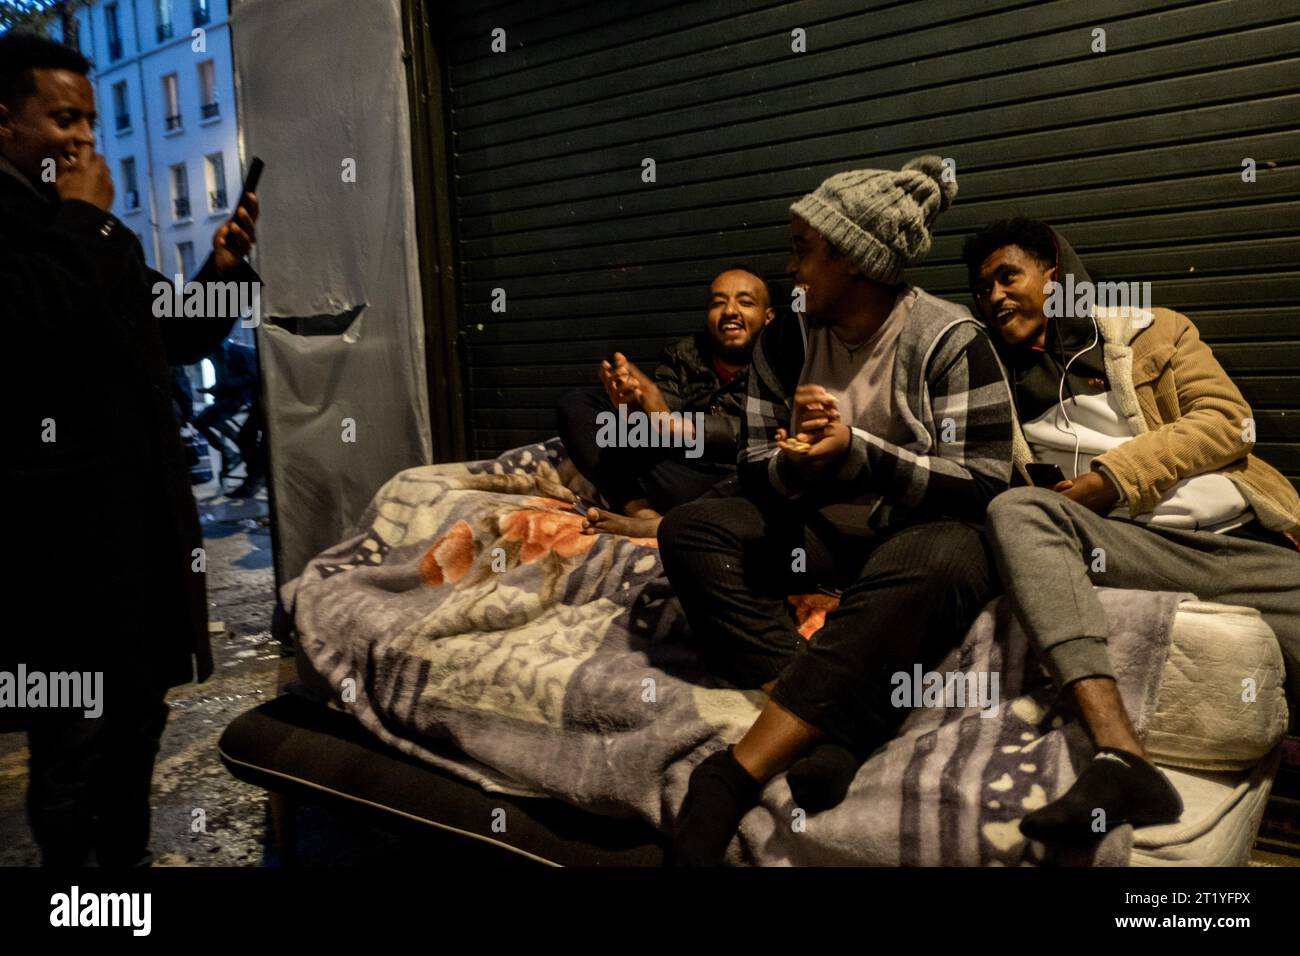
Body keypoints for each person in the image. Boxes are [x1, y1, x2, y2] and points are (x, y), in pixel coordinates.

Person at [658, 156, 1016, 865]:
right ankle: (839, 727)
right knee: (693, 529)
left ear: (852, 258)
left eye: (802, 251)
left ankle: (733, 773)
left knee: (945, 560)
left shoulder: (950, 340)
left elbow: (983, 488)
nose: (791, 270)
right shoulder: (786, 340)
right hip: (820, 527)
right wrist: (793, 461)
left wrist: (859, 453)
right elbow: (751, 469)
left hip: (913, 535)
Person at [0, 32, 261, 866]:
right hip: (52, 567)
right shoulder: (38, 227)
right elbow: (30, 327)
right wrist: (85, 218)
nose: (84, 140)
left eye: (91, 120)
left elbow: (173, 334)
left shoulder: (77, 228)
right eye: (62, 119)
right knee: (74, 761)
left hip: (132, 557)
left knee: (131, 737)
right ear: (3, 120)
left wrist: (223, 267)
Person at [965, 217, 1300, 843]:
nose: (995, 297)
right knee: (1016, 512)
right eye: (982, 290)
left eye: (1007, 276)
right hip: (1131, 550)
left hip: (1239, 539)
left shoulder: (1151, 330)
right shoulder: (995, 386)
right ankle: (1123, 760)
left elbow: (1228, 421)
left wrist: (1111, 479)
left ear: (1053, 274)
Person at [556, 266, 773, 538]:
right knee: (578, 405)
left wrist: (679, 427)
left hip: (731, 481)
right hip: (674, 474)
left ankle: (670, 524)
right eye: (719, 302)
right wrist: (631, 406)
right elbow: (658, 420)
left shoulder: (779, 364)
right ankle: (641, 513)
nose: (730, 311)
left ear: (768, 317)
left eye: (745, 302)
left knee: (775, 466)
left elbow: (766, 428)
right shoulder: (682, 354)